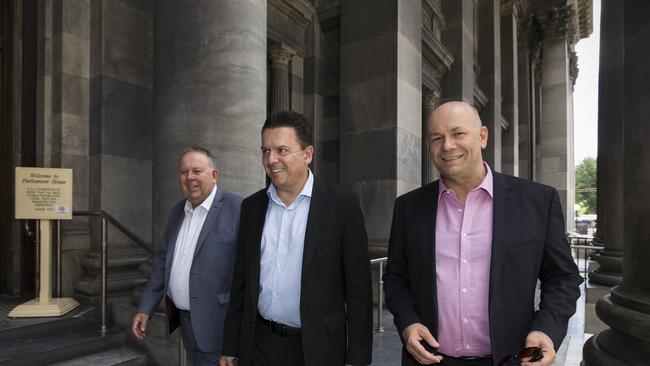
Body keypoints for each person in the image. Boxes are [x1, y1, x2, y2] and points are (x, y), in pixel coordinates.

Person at [383, 101, 582, 366]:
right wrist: (408, 323)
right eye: (436, 138)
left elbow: (562, 277)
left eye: (458, 133)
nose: (447, 146)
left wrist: (546, 328)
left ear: (483, 136)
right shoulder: (408, 207)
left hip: (508, 359)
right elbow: (396, 277)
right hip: (430, 360)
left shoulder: (537, 201)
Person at [220, 111, 373, 366]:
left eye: (281, 150)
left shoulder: (342, 205)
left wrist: (357, 359)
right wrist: (230, 345)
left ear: (307, 154)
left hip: (316, 349)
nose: (271, 160)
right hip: (258, 344)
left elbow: (359, 291)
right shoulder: (252, 207)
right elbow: (241, 284)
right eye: (265, 151)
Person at [132, 147, 242, 365]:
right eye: (184, 172)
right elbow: (163, 263)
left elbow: (249, 275)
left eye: (197, 171)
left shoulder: (237, 207)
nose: (190, 177)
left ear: (214, 175)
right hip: (186, 325)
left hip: (220, 329)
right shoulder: (177, 212)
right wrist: (146, 307)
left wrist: (235, 341)